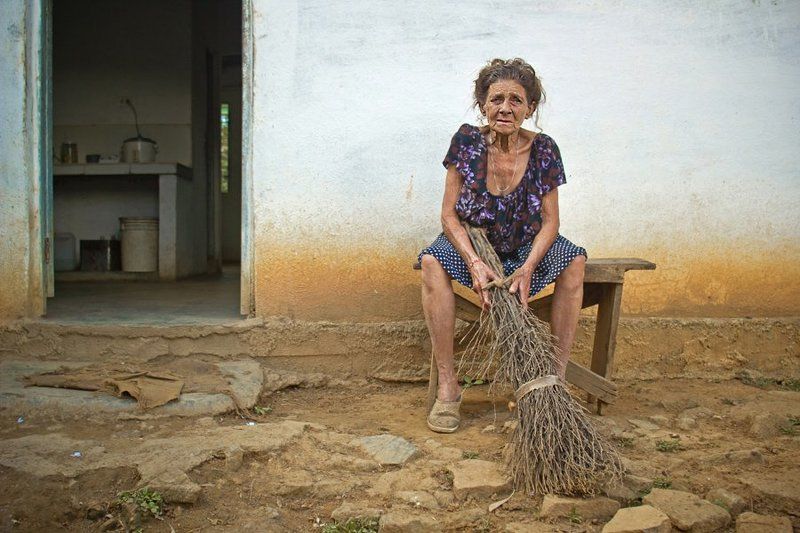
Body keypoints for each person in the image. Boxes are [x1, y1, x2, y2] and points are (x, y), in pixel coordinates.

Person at [419, 58, 587, 434]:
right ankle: (449, 388)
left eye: (516, 100)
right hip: (475, 246)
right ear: (483, 105)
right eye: (496, 99)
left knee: (574, 261)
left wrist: (528, 267)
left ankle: (554, 382)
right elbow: (448, 216)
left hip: (526, 248)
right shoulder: (466, 141)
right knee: (431, 261)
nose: (505, 108)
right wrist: (475, 262)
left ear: (530, 108)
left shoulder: (544, 150)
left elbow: (551, 222)